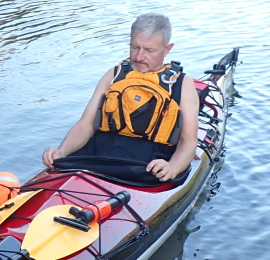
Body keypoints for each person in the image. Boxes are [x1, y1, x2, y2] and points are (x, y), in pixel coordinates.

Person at [41, 13, 199, 183]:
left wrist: (172, 167)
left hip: (148, 164)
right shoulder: (114, 75)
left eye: (149, 50)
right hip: (102, 155)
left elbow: (188, 142)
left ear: (167, 49)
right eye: (135, 47)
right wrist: (61, 152)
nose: (139, 57)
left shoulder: (182, 84)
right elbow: (85, 125)